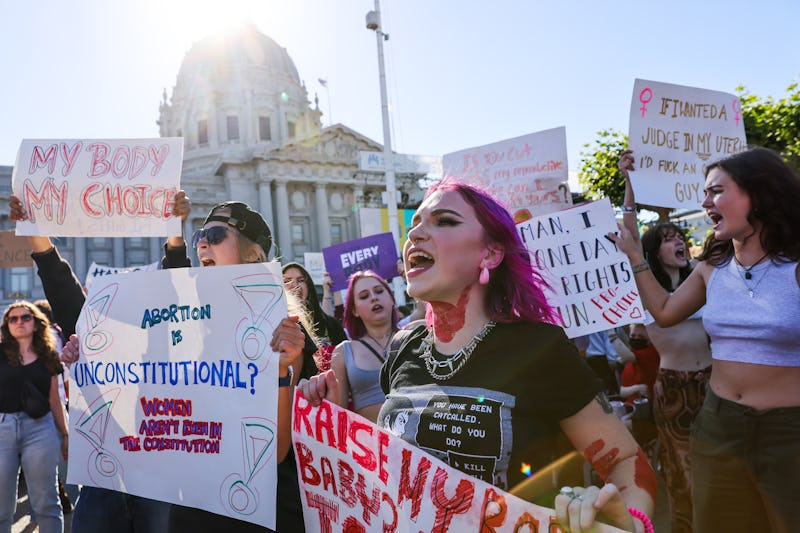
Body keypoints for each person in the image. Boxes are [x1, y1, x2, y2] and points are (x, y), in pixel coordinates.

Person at [300, 180, 656, 532]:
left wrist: (624, 519)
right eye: (415, 225)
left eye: (444, 221)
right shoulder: (403, 345)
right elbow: (387, 467)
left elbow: (626, 460)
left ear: (490, 253)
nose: (417, 235)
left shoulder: (538, 348)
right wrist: (329, 413)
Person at [611, 147, 800, 532]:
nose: (705, 201)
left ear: (759, 195)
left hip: (789, 432)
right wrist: (635, 257)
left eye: (716, 191)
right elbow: (663, 310)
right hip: (718, 425)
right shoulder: (711, 267)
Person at [617, 149, 713, 533]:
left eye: (679, 237)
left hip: (713, 384)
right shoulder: (647, 291)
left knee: (717, 467)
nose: (678, 241)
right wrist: (629, 182)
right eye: (668, 238)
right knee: (682, 469)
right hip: (673, 389)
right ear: (654, 251)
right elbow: (629, 231)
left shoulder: (701, 282)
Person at [0, 301, 68, 533]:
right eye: (13, 319)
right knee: (1, 506)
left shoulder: (48, 355)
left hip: (41, 429)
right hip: (3, 428)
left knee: (46, 503)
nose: (19, 322)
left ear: (37, 324)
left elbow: (55, 400)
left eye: (25, 317)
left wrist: (65, 434)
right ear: (6, 325)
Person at [327, 270, 399, 422]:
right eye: (364, 296)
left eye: (379, 291)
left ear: (392, 299)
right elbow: (339, 416)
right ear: (355, 310)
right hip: (371, 444)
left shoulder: (416, 335)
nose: (374, 298)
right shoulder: (343, 352)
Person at [282, 263, 347, 373]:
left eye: (301, 280)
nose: (294, 285)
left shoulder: (331, 325)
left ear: (309, 286)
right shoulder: (275, 328)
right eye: (287, 281)